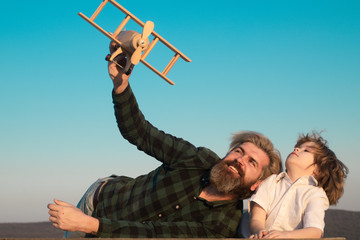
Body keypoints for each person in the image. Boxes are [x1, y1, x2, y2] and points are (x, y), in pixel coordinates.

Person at [47, 51, 282, 238]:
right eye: (238, 151)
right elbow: (140, 133)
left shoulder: (223, 225)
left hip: (100, 227)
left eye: (251, 162)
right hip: (100, 202)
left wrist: (91, 226)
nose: (239, 159)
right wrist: (121, 85)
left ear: (257, 184)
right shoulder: (197, 159)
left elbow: (156, 235)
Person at [247, 132, 348, 239]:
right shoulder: (270, 182)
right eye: (297, 147)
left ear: (319, 170)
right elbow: (256, 218)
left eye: (306, 150)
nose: (296, 149)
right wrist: (259, 230)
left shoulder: (315, 194)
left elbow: (315, 231)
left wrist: (286, 235)